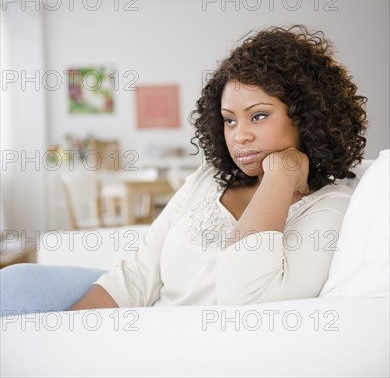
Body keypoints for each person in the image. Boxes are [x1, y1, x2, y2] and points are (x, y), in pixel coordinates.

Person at [0, 25, 367, 313]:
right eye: (228, 121)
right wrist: (65, 339)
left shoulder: (331, 206)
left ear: (306, 117)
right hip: (141, 329)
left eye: (258, 116)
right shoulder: (208, 178)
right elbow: (138, 274)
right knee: (12, 286)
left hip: (191, 353)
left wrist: (283, 173)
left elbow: (248, 301)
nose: (240, 136)